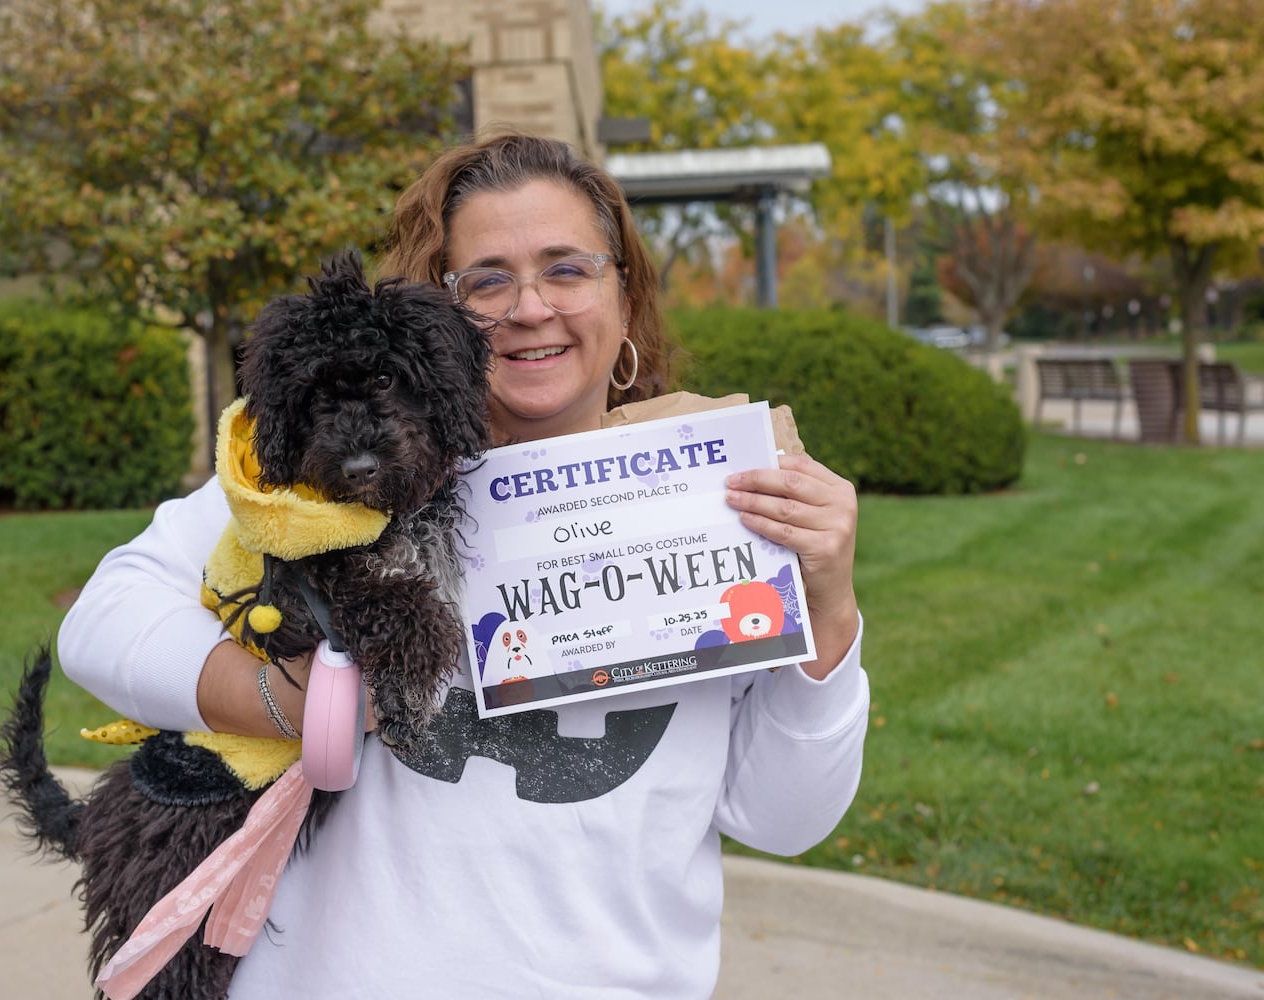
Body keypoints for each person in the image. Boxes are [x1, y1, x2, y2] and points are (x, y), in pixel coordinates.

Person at [57, 129, 868, 998]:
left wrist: (830, 610)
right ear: (436, 314)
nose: (529, 306)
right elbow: (102, 620)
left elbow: (785, 822)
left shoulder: (722, 501)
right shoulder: (328, 484)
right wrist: (276, 699)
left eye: (567, 269)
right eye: (487, 279)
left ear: (623, 301)